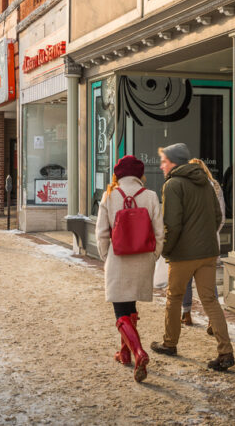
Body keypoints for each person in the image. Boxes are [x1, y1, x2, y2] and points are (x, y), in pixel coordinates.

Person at [150, 143, 235, 372]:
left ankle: (170, 343)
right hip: (208, 252)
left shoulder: (173, 185)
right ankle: (225, 352)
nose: (161, 165)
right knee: (210, 300)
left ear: (175, 162)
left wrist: (166, 250)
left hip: (184, 254)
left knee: (174, 297)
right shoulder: (207, 183)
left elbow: (172, 224)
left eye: (164, 161)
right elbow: (218, 216)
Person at [95, 155, 164, 383]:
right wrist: (153, 256)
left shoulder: (109, 195)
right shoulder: (151, 196)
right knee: (130, 307)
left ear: (118, 174)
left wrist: (107, 257)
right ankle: (124, 353)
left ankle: (138, 352)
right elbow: (159, 232)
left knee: (120, 311)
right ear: (139, 174)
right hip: (143, 259)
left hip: (119, 258)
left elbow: (101, 233)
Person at [181, 158, 224, 331]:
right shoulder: (215, 187)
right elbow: (220, 216)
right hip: (210, 242)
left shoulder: (185, 187)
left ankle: (186, 313)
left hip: (189, 242)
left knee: (186, 278)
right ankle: (212, 319)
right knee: (209, 281)